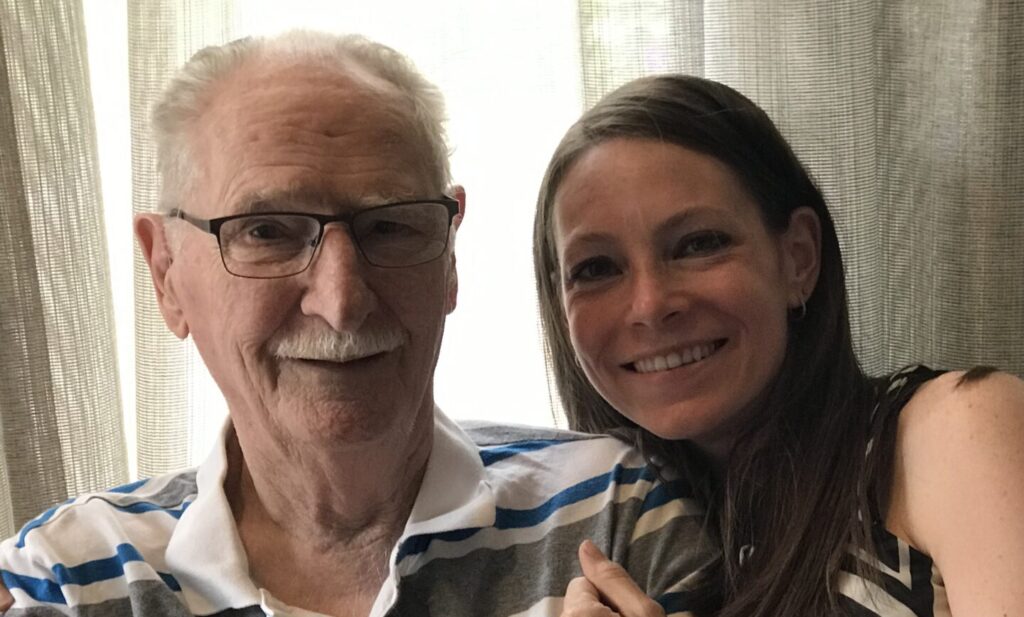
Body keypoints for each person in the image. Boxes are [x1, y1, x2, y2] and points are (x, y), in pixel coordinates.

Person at [0, 33, 715, 616]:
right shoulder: (69, 579)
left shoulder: (616, 514)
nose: (341, 300)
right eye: (268, 231)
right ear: (166, 274)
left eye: (393, 227)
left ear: (450, 258)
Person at [533, 74, 1024, 616]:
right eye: (597, 268)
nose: (650, 305)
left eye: (699, 243)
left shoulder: (955, 430)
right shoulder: (599, 535)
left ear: (799, 258)